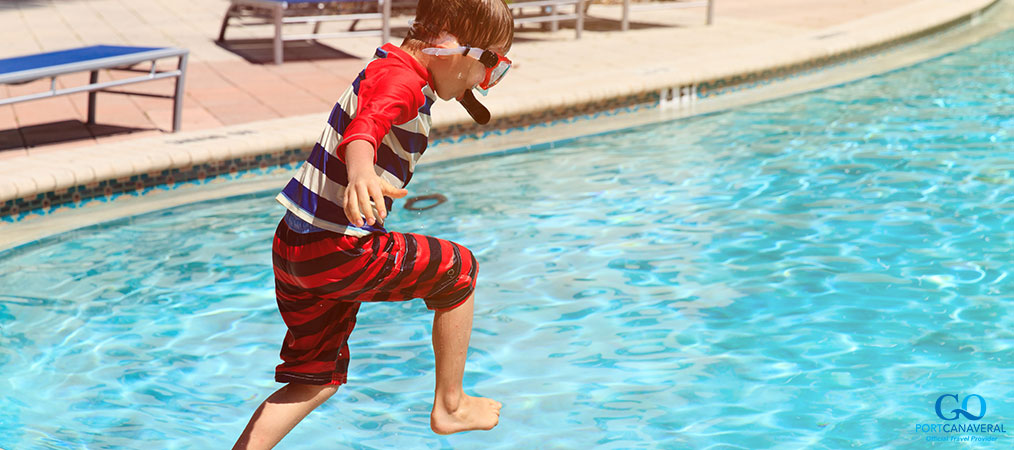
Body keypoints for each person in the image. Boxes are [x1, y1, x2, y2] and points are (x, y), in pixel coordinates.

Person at [233, 0, 514, 448]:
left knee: (316, 378)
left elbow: (404, 95)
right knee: (459, 269)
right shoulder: (402, 81)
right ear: (448, 44)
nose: (486, 81)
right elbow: (366, 126)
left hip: (293, 246)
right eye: (492, 65)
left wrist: (464, 81)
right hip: (337, 249)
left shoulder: (393, 67)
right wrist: (361, 170)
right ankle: (451, 404)